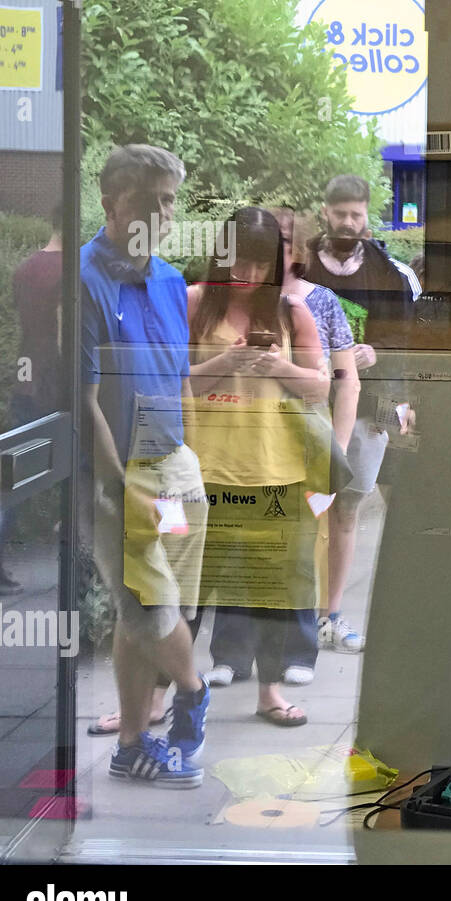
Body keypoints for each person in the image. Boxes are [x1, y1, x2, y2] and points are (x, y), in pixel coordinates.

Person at [80, 144, 209, 787]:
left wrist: (192, 460)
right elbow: (82, 402)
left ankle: (132, 744)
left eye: (169, 200)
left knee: (150, 615)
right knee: (152, 607)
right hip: (120, 477)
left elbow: (179, 374)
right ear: (110, 202)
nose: (163, 212)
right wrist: (117, 486)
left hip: (177, 474)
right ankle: (194, 694)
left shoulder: (166, 279)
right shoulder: (82, 280)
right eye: (149, 199)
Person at [185, 207, 330, 726]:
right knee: (185, 592)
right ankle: (162, 695)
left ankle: (269, 693)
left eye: (258, 264)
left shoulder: (292, 312)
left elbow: (320, 386)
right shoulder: (196, 302)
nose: (246, 274)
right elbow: (174, 381)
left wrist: (278, 366)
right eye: (237, 261)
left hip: (276, 469)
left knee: (270, 589)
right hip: (202, 469)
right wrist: (225, 362)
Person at [300, 175, 417, 653]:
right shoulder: (299, 265)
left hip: (367, 410)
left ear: (367, 216)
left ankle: (332, 617)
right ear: (325, 212)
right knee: (299, 512)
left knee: (346, 510)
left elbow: (410, 342)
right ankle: (296, 620)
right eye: (340, 212)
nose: (348, 222)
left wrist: (377, 355)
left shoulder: (392, 274)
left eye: (356, 214)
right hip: (301, 409)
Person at [272, 208, 360, 684]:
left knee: (313, 538)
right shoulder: (243, 300)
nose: (277, 250)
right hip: (256, 447)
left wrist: (336, 449)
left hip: (310, 445)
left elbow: (347, 382)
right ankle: (252, 650)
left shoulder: (323, 302)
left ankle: (315, 632)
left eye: (285, 241)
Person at [0, 203, 65, 595]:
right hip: (55, 383)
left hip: (25, 378)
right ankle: (76, 562)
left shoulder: (25, 269)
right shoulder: (72, 271)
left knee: (14, 479)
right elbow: (64, 335)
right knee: (79, 469)